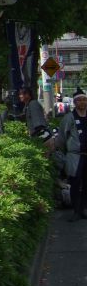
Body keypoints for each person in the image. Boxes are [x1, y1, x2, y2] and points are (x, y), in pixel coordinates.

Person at [55, 89, 87, 222]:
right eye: (79, 100)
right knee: (75, 182)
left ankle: (83, 209)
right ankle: (76, 210)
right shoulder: (69, 117)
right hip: (75, 156)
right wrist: (62, 151)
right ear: (75, 102)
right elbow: (62, 136)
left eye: (84, 99)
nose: (82, 102)